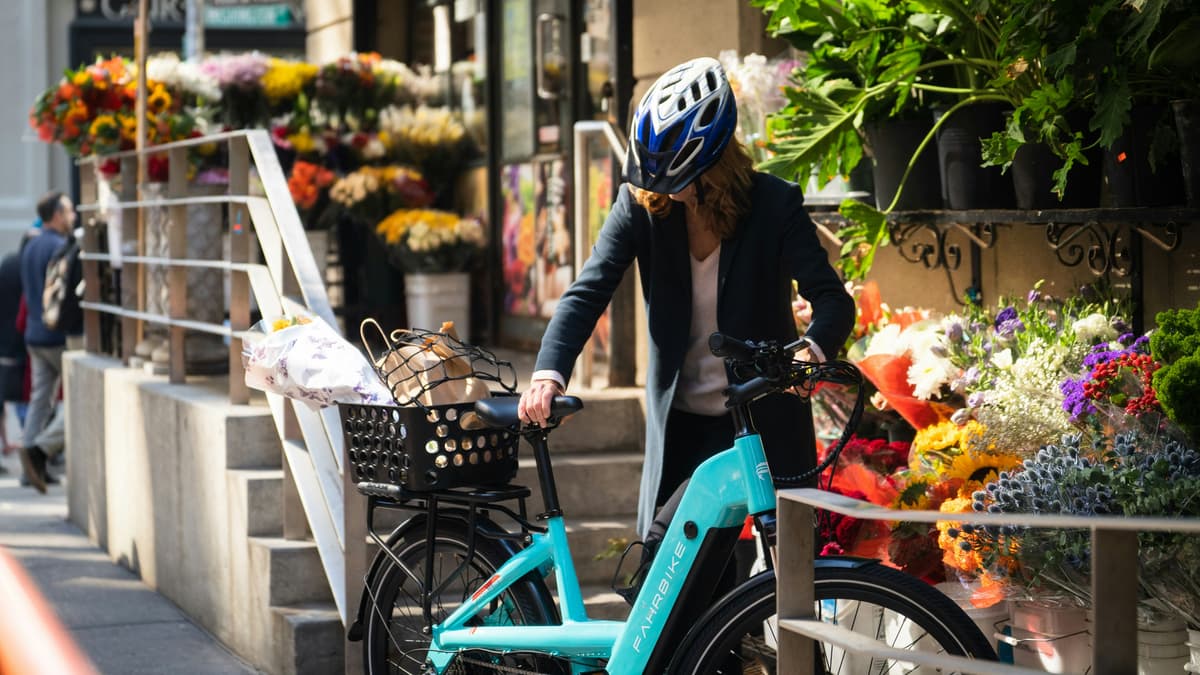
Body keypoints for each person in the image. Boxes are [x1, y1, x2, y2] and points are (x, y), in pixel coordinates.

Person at [517, 56, 855, 552]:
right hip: (683, 429)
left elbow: (831, 300)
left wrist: (812, 352)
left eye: (677, 179)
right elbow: (588, 291)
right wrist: (549, 372)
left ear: (713, 163)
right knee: (670, 574)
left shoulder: (773, 204)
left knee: (786, 589)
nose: (664, 192)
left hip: (765, 425)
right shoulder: (639, 204)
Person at [18, 191, 76, 493]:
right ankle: (39, 449)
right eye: (68, 211)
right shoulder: (59, 246)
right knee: (76, 399)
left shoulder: (30, 246)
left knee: (40, 399)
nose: (73, 216)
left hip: (34, 334)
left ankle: (30, 463)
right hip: (56, 335)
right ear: (56, 214)